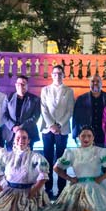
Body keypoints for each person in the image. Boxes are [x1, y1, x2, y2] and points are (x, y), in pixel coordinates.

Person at [50, 127, 106, 211]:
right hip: (77, 187)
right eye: (83, 136)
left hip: (96, 186)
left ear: (93, 137)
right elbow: (56, 168)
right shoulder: (72, 153)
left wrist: (102, 177)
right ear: (79, 137)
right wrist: (69, 178)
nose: (86, 138)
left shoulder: (100, 151)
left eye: (89, 136)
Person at [40, 64, 75, 198]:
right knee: (47, 159)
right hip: (47, 130)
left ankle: (61, 190)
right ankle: (48, 189)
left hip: (62, 129)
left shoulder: (69, 91)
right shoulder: (45, 90)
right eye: (55, 73)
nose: (57, 75)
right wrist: (51, 125)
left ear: (63, 75)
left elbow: (70, 110)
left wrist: (59, 125)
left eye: (60, 73)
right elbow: (44, 109)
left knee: (62, 160)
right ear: (52, 75)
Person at [2, 74, 41, 150]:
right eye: (19, 84)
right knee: (11, 158)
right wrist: (13, 127)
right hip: (11, 133)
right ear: (16, 85)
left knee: (27, 158)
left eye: (23, 84)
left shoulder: (35, 99)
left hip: (28, 133)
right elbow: (4, 115)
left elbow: (35, 117)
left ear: (27, 86)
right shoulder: (8, 97)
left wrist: (21, 127)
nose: (21, 86)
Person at [73, 74, 106, 146]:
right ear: (89, 83)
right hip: (86, 137)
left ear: (101, 83)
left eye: (98, 81)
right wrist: (75, 135)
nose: (95, 83)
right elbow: (75, 118)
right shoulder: (81, 99)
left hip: (103, 136)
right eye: (93, 81)